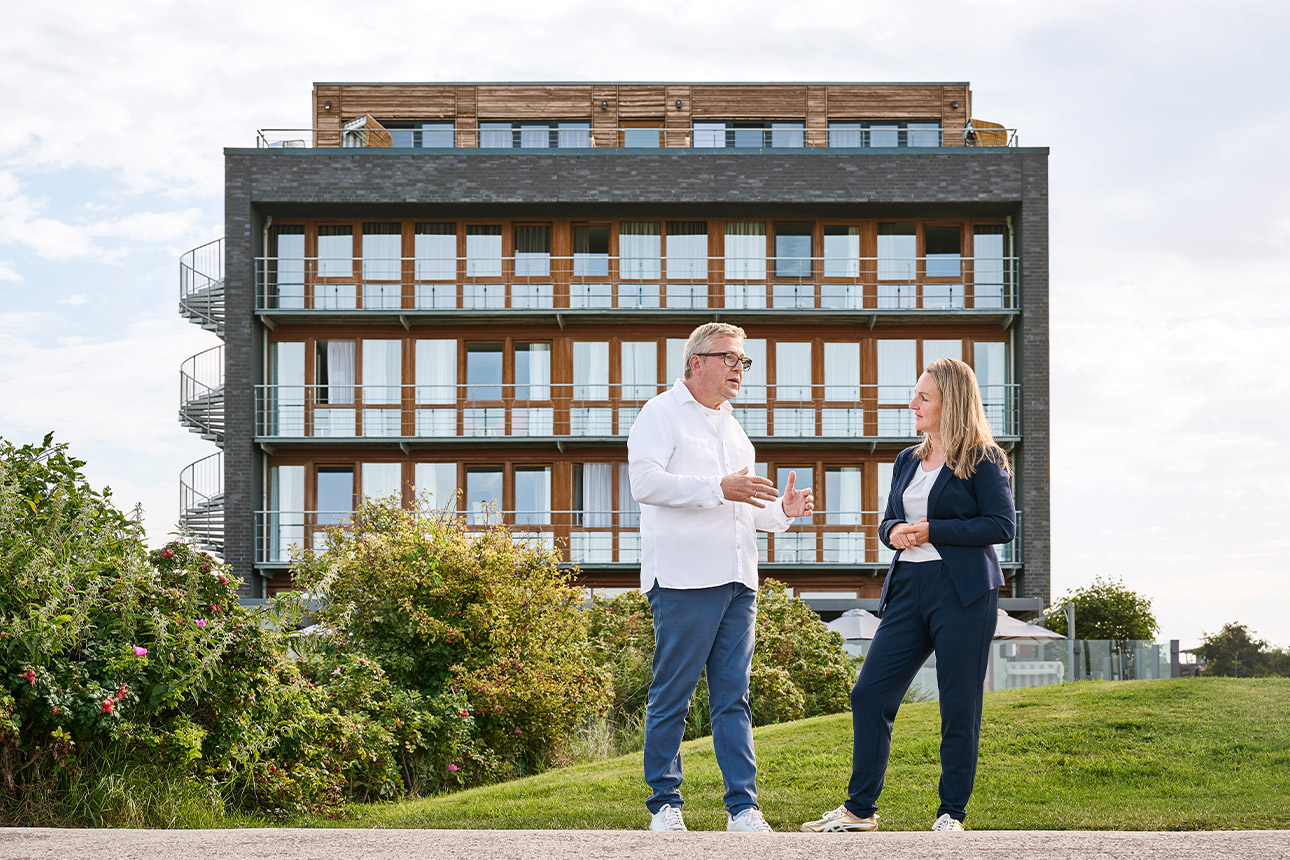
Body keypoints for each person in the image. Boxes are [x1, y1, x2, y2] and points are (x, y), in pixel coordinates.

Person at [801, 357, 1015, 834]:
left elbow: (1002, 525)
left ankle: (951, 814)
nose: (912, 403)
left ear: (950, 403)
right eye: (915, 394)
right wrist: (896, 529)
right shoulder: (906, 460)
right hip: (907, 589)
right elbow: (887, 523)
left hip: (962, 592)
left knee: (959, 704)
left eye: (923, 397)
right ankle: (860, 810)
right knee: (869, 694)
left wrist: (932, 529)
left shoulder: (984, 458)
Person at [628, 322, 814, 833]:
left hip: (739, 579)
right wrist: (718, 486)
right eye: (730, 358)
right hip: (685, 578)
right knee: (675, 693)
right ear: (696, 362)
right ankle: (665, 806)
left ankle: (743, 808)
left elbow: (744, 509)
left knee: (734, 697)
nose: (738, 369)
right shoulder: (660, 413)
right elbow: (644, 483)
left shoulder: (735, 430)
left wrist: (783, 511)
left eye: (743, 361)